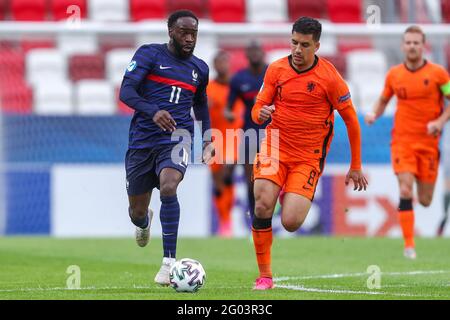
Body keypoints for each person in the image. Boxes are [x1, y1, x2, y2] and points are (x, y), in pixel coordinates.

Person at [250, 17, 368, 290]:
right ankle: (265, 276)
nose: (297, 50)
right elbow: (257, 110)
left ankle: (287, 190)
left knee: (290, 222)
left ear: (317, 45)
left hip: (308, 157)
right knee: (261, 204)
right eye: (293, 43)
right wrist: (261, 113)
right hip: (275, 147)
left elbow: (351, 120)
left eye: (304, 45)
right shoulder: (276, 70)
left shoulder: (329, 78)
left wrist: (356, 165)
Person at [119, 10, 214, 285]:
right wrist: (153, 111)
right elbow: (126, 92)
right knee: (136, 211)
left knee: (170, 186)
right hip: (142, 139)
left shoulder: (200, 69)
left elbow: (201, 104)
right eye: (184, 32)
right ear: (170, 31)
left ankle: (168, 264)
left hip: (177, 136)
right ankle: (143, 222)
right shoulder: (149, 54)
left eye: (194, 33)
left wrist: (208, 139)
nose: (189, 38)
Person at [365, 26, 450, 258]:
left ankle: (411, 235)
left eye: (416, 42)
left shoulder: (439, 74)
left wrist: (441, 122)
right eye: (408, 42)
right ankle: (409, 245)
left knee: (425, 200)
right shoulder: (394, 75)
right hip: (402, 141)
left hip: (429, 145)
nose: (412, 46)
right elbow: (383, 100)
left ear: (423, 46)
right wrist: (374, 113)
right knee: (404, 187)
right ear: (403, 46)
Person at [224, 41, 268, 220]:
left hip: (273, 134)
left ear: (263, 53)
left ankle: (273, 208)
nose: (255, 54)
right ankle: (255, 221)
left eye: (257, 50)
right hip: (249, 133)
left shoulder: (272, 74)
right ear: (247, 55)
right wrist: (228, 114)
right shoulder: (239, 79)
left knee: (272, 179)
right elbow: (229, 106)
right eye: (251, 51)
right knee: (251, 181)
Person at [207, 51, 244, 237]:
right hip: (213, 138)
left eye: (225, 61)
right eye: (218, 62)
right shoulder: (209, 88)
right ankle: (225, 220)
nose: (222, 65)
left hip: (233, 137)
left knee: (228, 173)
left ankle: (227, 222)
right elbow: (201, 111)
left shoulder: (237, 85)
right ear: (214, 65)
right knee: (218, 183)